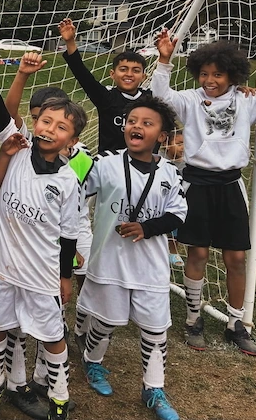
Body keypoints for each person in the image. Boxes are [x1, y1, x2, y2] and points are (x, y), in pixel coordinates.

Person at [0, 33, 86, 420]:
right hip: (2, 267)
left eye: (60, 127)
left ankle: (60, 396)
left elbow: (67, 236)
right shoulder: (18, 148)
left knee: (52, 337)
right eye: (45, 120)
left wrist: (65, 278)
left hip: (41, 275)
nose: (50, 128)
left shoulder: (67, 182)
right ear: (35, 123)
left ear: (72, 140)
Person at [75, 96, 187, 420]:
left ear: (162, 135)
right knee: (107, 321)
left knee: (155, 330)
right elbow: (77, 190)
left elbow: (178, 214)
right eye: (132, 120)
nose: (136, 126)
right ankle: (92, 363)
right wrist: (74, 154)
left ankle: (153, 388)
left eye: (147, 123)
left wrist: (147, 227)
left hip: (150, 267)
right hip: (109, 261)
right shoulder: (105, 162)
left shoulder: (170, 173)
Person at [152, 32, 256, 356]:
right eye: (204, 73)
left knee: (236, 258)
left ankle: (236, 323)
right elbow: (159, 95)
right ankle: (193, 319)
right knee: (197, 254)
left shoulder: (246, 99)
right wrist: (165, 60)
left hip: (230, 187)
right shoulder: (189, 100)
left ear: (233, 74)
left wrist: (248, 89)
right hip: (197, 184)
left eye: (218, 74)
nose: (210, 80)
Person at [58, 18, 149, 153]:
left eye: (136, 71)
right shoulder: (106, 97)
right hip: (109, 165)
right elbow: (82, 74)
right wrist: (70, 42)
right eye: (123, 69)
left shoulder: (150, 99)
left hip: (142, 166)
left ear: (143, 77)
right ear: (112, 74)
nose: (129, 74)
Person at [159, 129, 185, 268]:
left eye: (185, 143)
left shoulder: (187, 162)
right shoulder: (160, 159)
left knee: (176, 226)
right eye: (179, 143)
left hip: (178, 200)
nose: (183, 147)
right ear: (166, 145)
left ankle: (173, 252)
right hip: (160, 198)